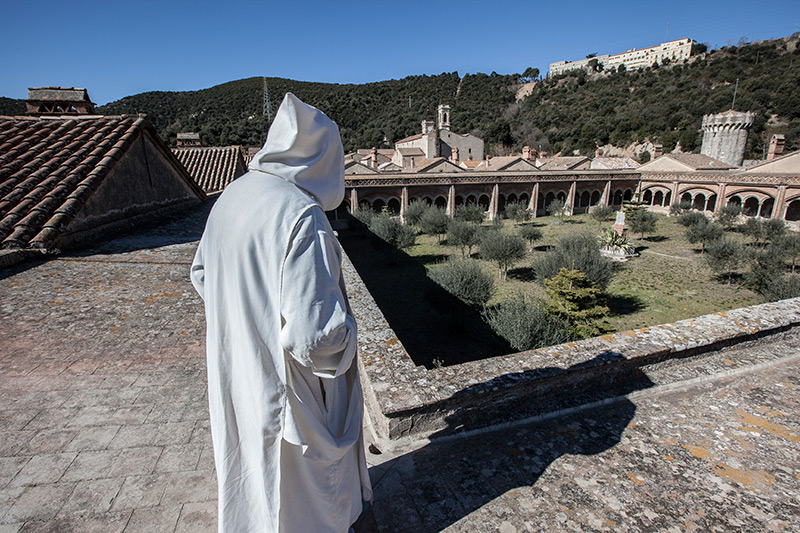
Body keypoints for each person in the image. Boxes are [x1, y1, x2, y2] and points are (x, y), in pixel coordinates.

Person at [190, 93, 372, 532]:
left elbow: (201, 273)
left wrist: (245, 313)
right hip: (289, 386)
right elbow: (317, 339)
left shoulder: (233, 195)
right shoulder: (302, 215)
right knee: (302, 490)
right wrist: (349, 331)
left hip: (240, 363)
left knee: (251, 462)